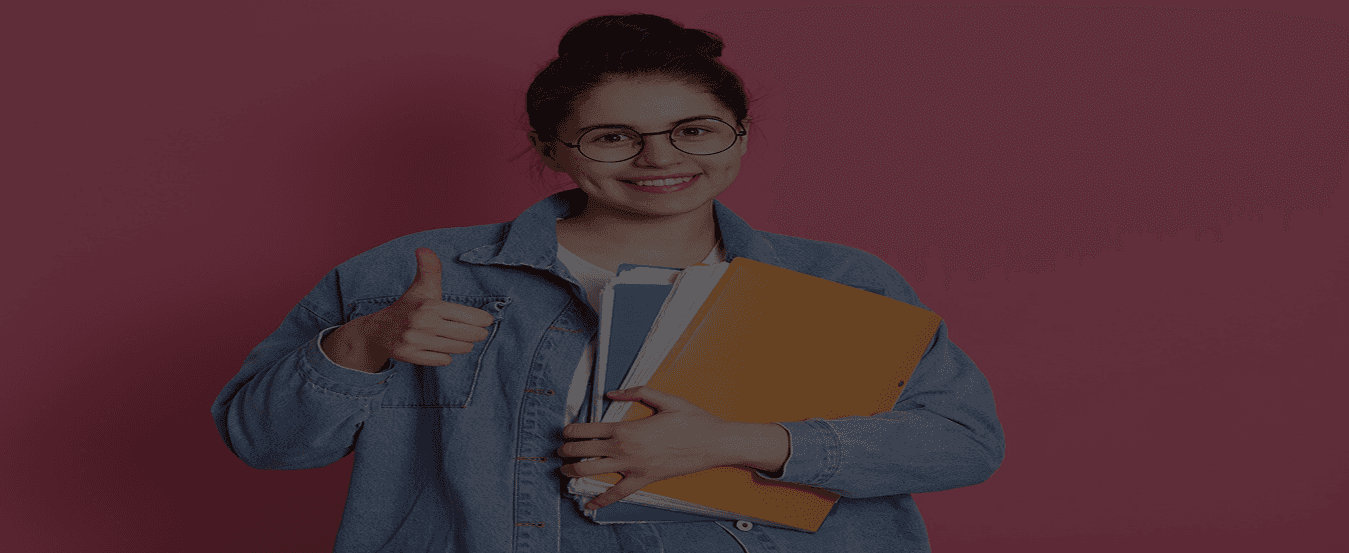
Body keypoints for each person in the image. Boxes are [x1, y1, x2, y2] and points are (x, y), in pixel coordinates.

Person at [212, 13, 1004, 553]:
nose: (660, 159)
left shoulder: (840, 280)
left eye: (694, 130)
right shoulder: (415, 273)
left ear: (739, 138)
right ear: (551, 148)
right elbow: (262, 442)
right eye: (613, 136)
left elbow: (963, 440)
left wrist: (740, 442)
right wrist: (362, 344)